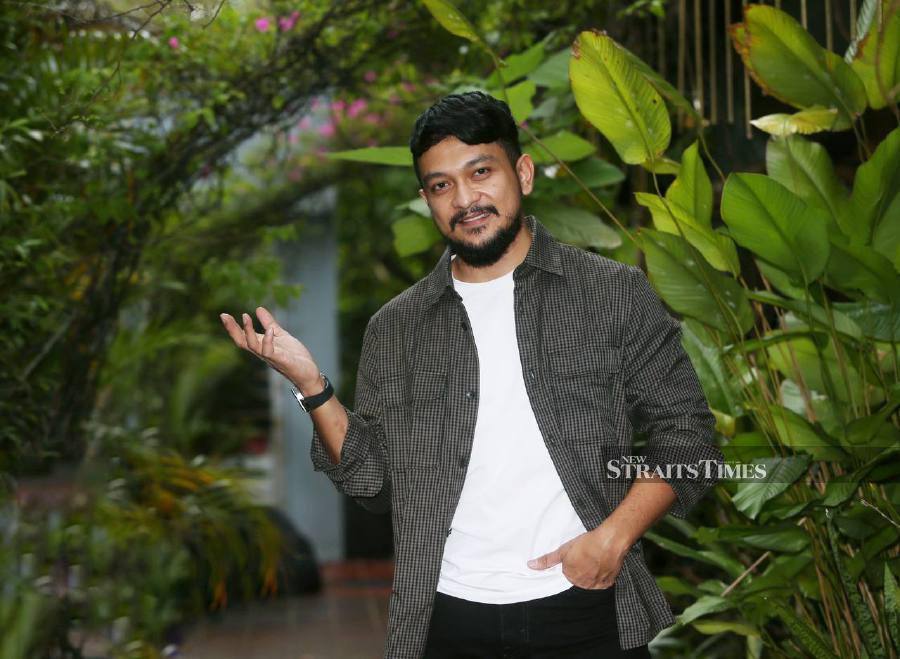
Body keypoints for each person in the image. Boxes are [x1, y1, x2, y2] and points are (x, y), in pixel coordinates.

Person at [220, 91, 724, 659]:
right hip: (446, 619)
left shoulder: (612, 294)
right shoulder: (397, 328)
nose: (465, 199)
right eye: (441, 185)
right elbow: (373, 481)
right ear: (426, 200)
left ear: (524, 173)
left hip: (586, 605)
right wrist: (311, 385)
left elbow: (691, 440)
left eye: (480, 172)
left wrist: (614, 538)